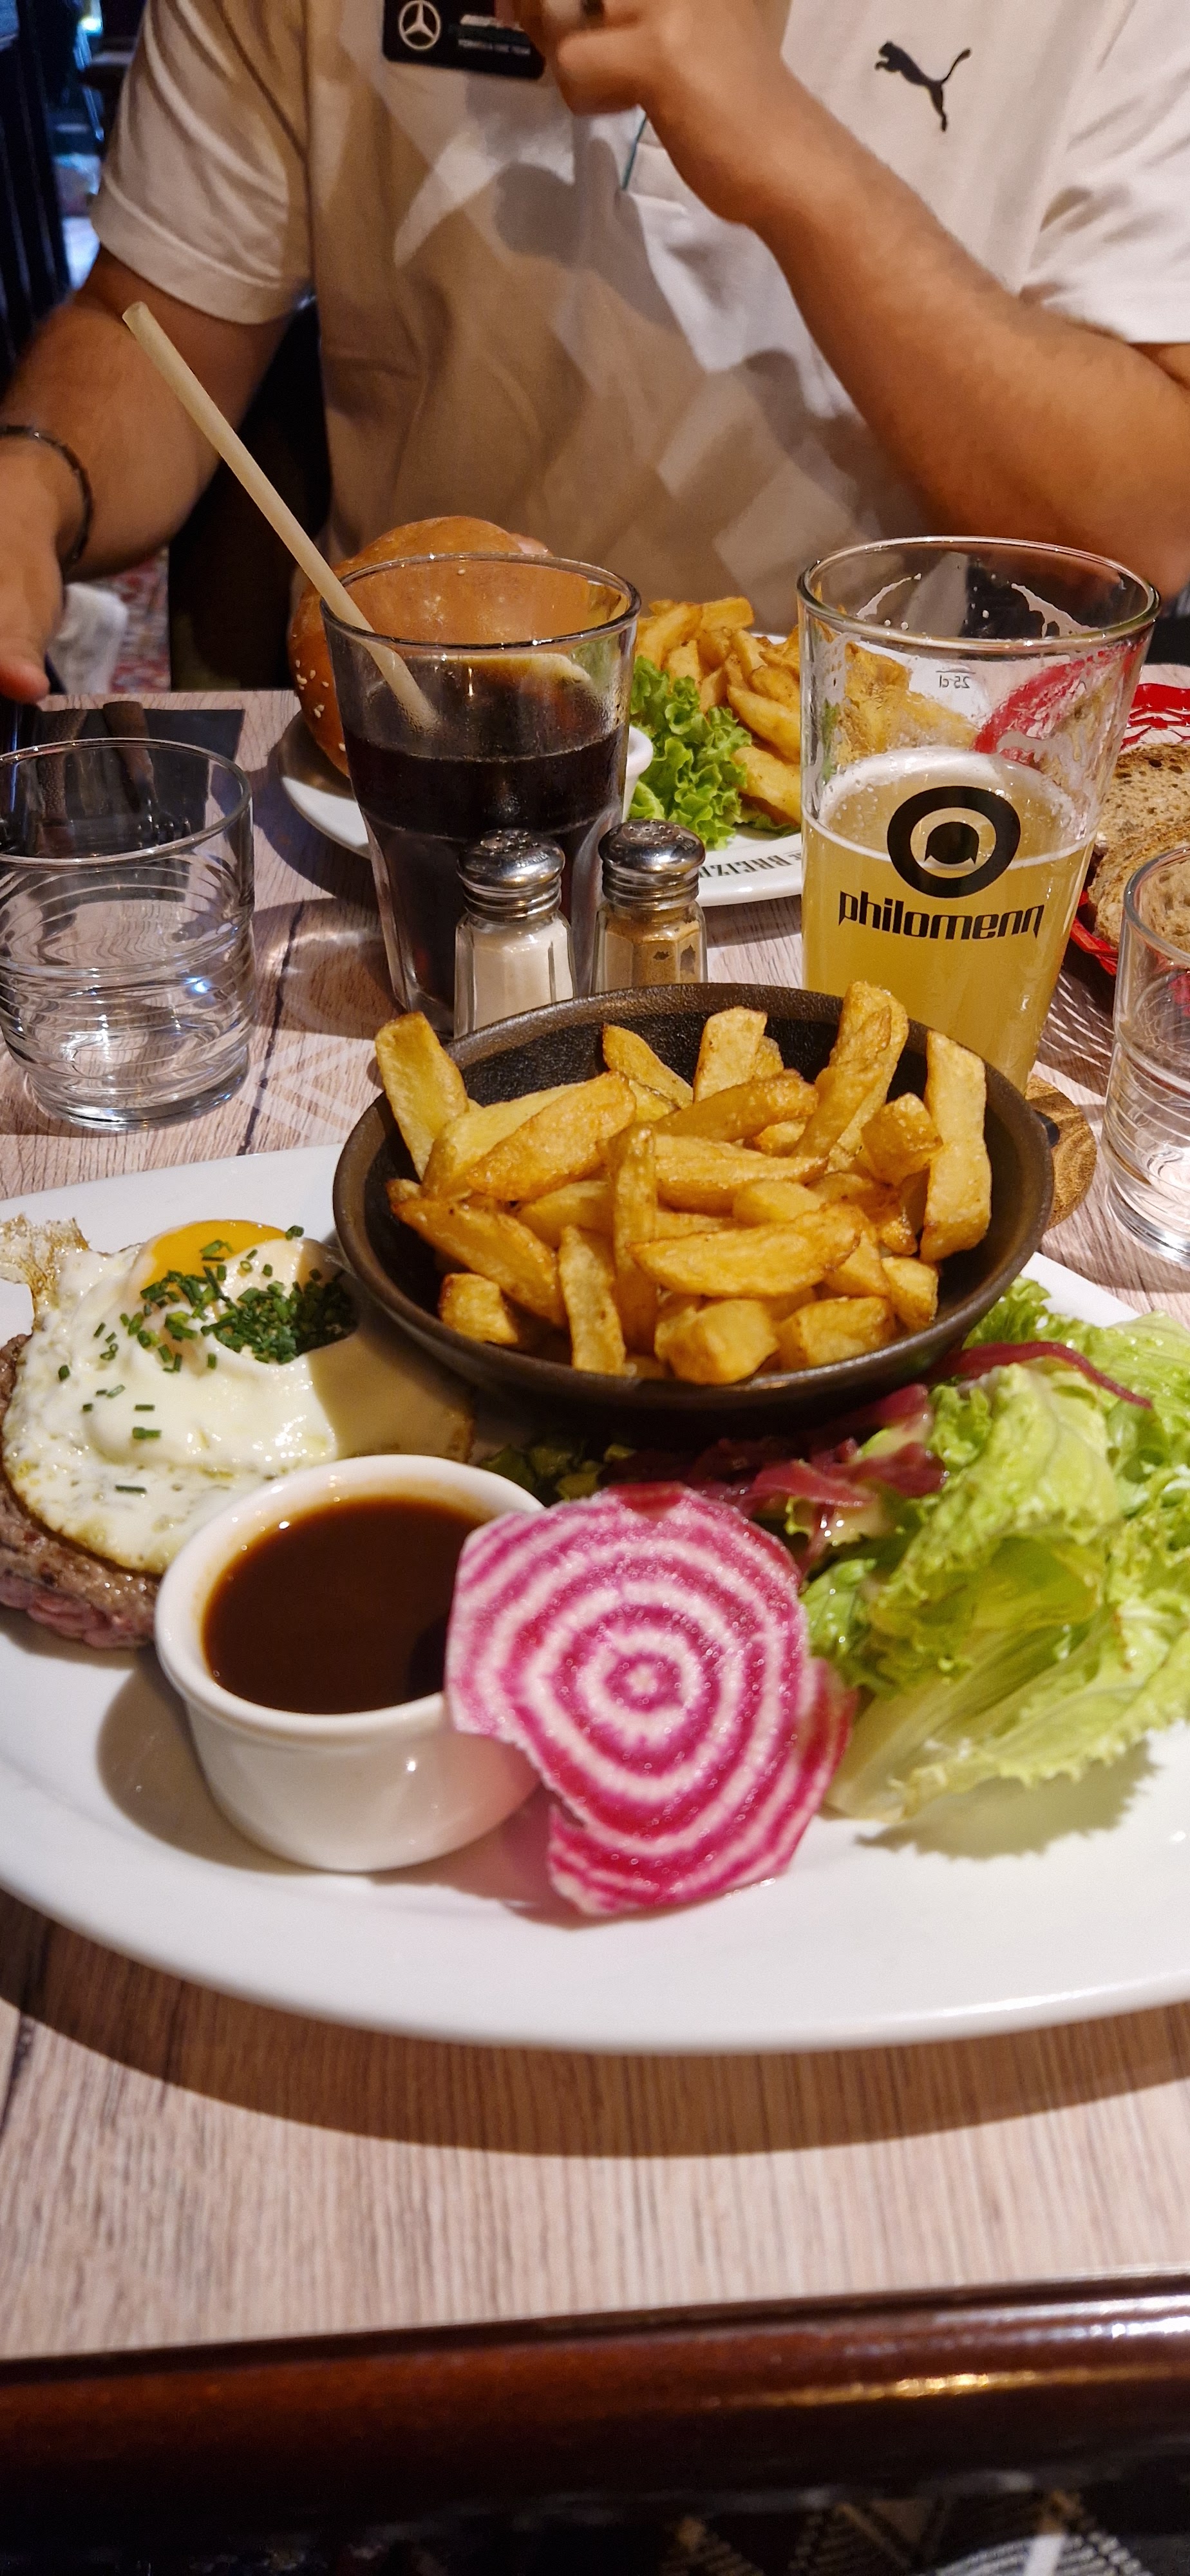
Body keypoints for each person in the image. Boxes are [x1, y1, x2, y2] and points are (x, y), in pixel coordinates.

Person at [3, 0, 1190, 700]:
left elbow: (1147, 523)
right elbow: (150, 324)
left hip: (871, 797)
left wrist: (794, 161)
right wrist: (31, 485)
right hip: (422, 750)